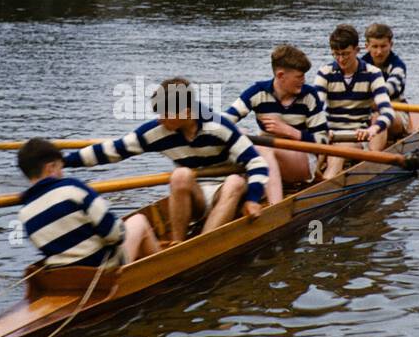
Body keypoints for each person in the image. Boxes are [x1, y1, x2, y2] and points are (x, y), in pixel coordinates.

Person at [63, 77, 269, 244]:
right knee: (180, 175)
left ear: (187, 112)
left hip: (226, 192)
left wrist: (252, 199)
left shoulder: (219, 126)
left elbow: (257, 164)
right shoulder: (157, 132)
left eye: (165, 113)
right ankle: (177, 245)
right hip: (194, 195)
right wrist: (64, 161)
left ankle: (203, 245)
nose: (160, 118)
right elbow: (111, 150)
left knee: (235, 181)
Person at [17, 138, 160, 268]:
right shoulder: (72, 188)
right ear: (50, 168)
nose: (62, 174)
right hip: (101, 269)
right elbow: (115, 235)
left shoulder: (24, 212)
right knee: (139, 221)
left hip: (60, 275)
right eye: (60, 168)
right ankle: (163, 272)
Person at [220, 44, 327, 202]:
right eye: (299, 76)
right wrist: (236, 131)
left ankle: (275, 205)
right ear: (281, 75)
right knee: (240, 140)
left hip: (303, 160)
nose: (303, 81)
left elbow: (323, 141)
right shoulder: (257, 92)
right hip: (268, 158)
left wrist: (290, 131)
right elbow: (222, 122)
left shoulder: (309, 96)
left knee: (262, 148)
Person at [313, 23, 394, 178]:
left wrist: (373, 129)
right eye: (336, 54)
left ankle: (326, 186)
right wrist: (320, 129)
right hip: (329, 133)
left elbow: (388, 112)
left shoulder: (373, 73)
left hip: (357, 134)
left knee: (337, 154)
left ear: (357, 50)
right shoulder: (325, 73)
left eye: (345, 54)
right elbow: (315, 109)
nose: (341, 59)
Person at [363, 22, 409, 139]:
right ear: (367, 46)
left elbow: (389, 89)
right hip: (367, 110)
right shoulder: (360, 65)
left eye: (383, 46)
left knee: (377, 116)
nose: (379, 52)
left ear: (391, 45)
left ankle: (372, 154)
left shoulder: (398, 66)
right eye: (375, 46)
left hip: (397, 111)